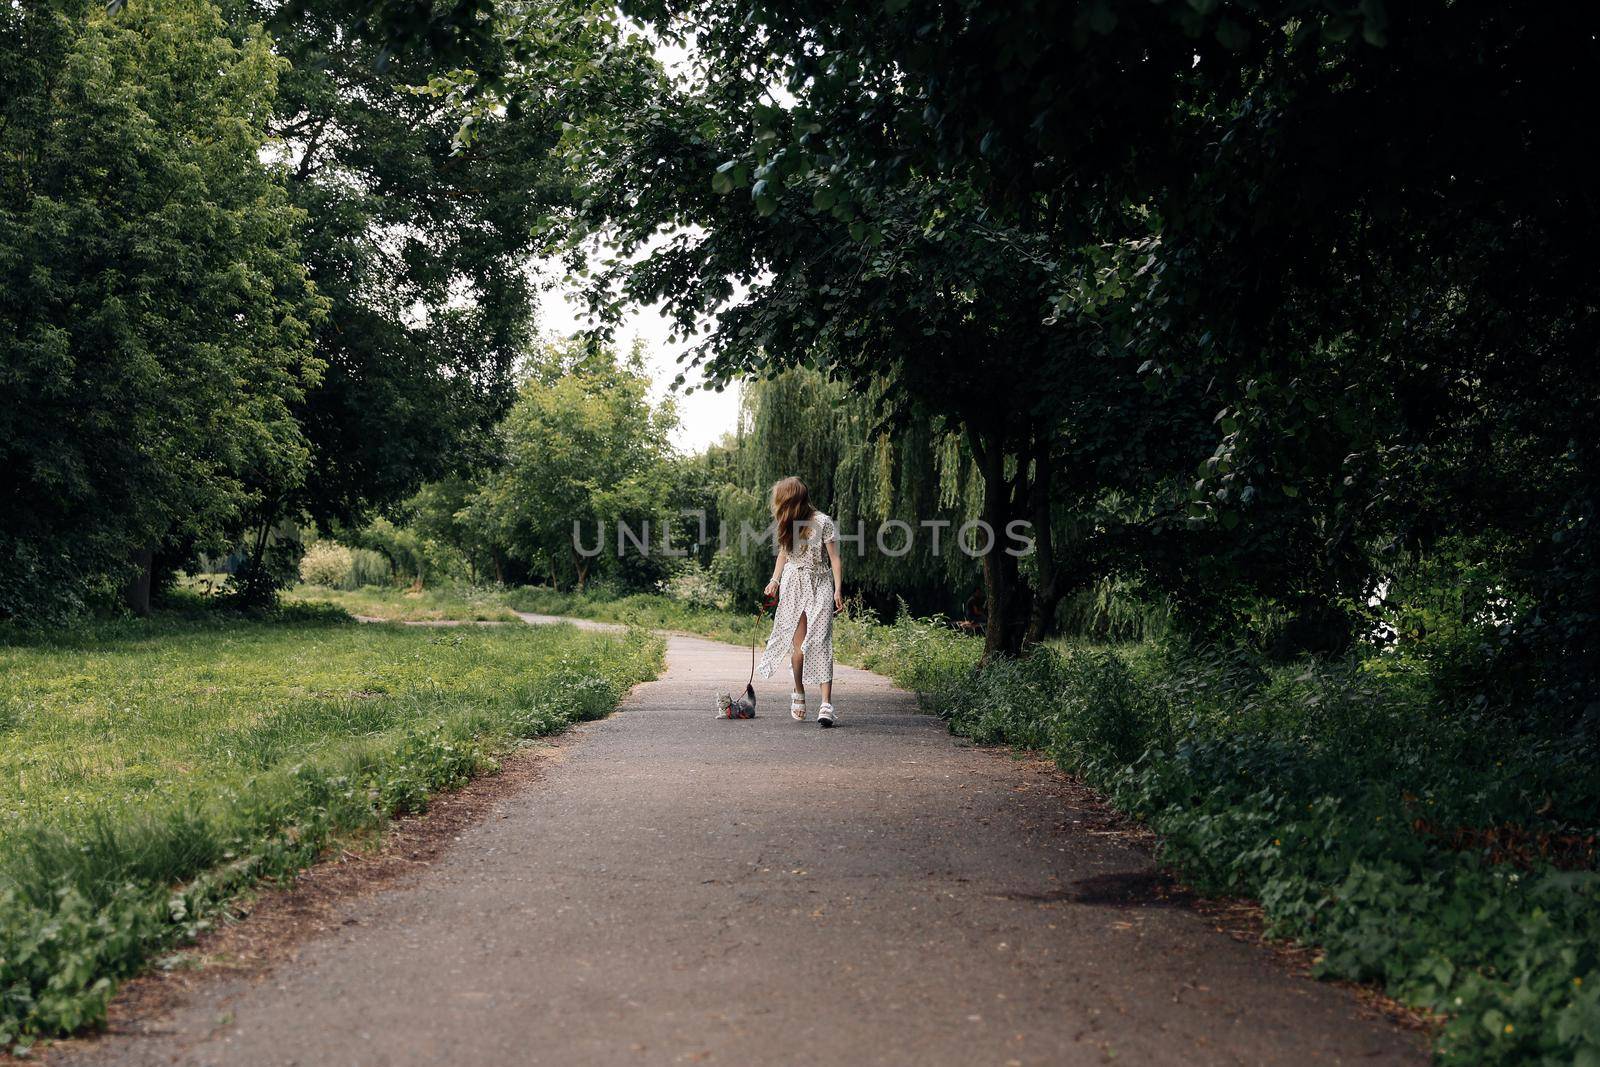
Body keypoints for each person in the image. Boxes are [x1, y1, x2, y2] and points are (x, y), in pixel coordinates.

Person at [757, 477, 844, 726]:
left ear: (792, 499)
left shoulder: (823, 522)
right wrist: (774, 581)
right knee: (799, 647)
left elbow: (835, 559)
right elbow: (784, 555)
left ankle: (826, 704)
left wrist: (838, 589)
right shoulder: (787, 522)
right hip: (794, 583)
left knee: (820, 640)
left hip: (820, 583)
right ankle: (799, 691)